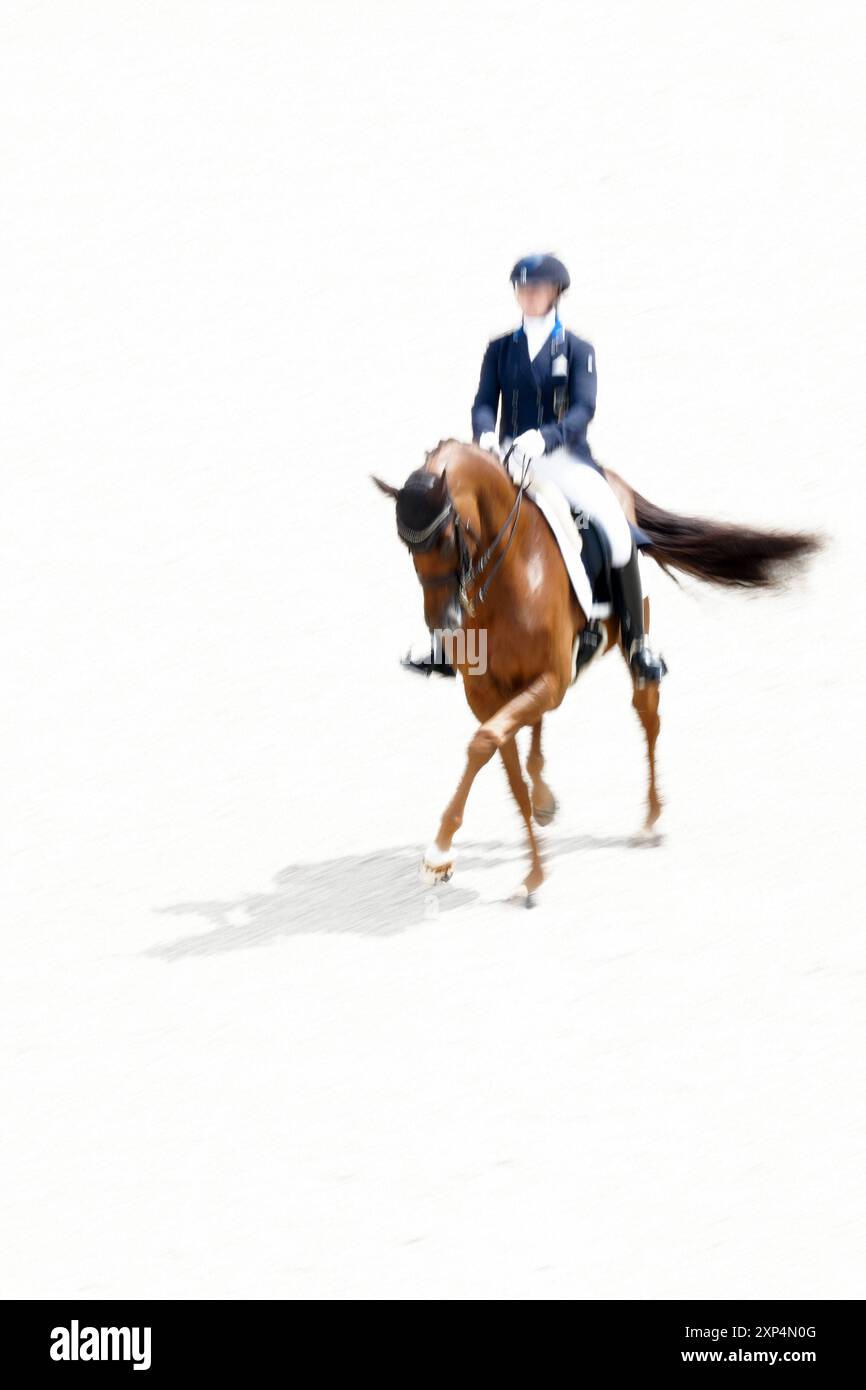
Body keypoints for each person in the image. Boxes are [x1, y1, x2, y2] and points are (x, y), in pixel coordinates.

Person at [401, 252, 667, 685]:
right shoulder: (500, 348)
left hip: (562, 459)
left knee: (618, 534)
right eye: (523, 289)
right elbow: (485, 402)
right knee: (462, 532)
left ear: (555, 293)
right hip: (504, 461)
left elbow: (583, 410)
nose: (529, 296)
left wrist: (544, 437)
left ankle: (638, 645)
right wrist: (487, 437)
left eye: (537, 289)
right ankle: (450, 648)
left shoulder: (578, 349)